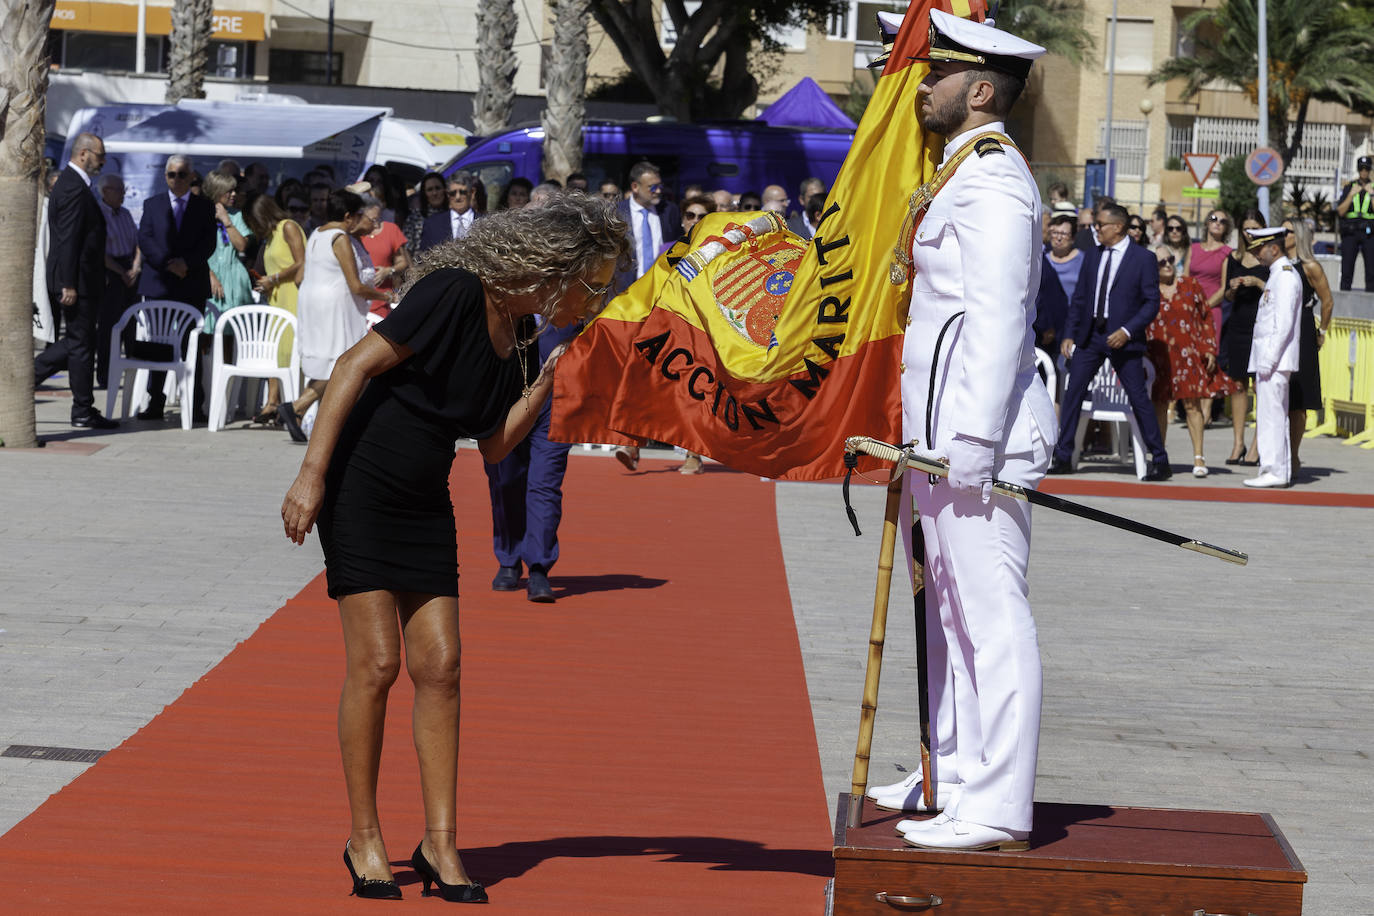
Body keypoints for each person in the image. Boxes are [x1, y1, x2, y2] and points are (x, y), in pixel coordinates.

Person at [280, 194, 626, 901]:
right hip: (361, 483)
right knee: (378, 664)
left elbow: (493, 444)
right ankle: (364, 836)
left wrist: (549, 380)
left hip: (424, 498)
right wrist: (311, 475)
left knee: (442, 665)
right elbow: (351, 366)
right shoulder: (456, 292)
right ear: (554, 269)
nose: (595, 301)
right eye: (592, 285)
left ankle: (440, 843)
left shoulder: (523, 334)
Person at [865, 9, 1054, 853]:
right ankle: (956, 773)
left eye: (938, 73)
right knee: (950, 612)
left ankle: (1000, 804)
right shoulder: (958, 174)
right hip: (940, 434)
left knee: (990, 615)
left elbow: (1000, 320)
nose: (922, 84)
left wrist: (971, 443)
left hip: (980, 439)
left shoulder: (996, 182)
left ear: (980, 91)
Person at [1048, 202, 1171, 480]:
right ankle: (1063, 456)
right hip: (1090, 336)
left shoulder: (1142, 258)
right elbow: (1080, 298)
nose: (1096, 229)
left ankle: (1160, 460)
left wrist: (1127, 331)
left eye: (1101, 224)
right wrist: (1069, 333)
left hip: (1123, 340)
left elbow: (1151, 303)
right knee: (1073, 392)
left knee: (1138, 397)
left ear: (1117, 227)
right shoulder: (1093, 254)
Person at [278, 190, 394, 442]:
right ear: (348, 216)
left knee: (330, 362)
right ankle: (297, 406)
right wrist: (386, 296)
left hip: (314, 303)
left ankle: (300, 412)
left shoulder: (316, 233)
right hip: (335, 307)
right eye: (358, 215)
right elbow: (356, 286)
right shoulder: (340, 238)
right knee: (341, 364)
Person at [33, 133, 119, 429]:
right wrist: (68, 283)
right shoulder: (71, 186)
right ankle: (82, 409)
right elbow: (68, 239)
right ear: (84, 154)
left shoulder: (76, 184)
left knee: (78, 343)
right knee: (79, 344)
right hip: (76, 281)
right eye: (100, 155)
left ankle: (81, 408)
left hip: (83, 279)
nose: (103, 161)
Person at [136, 154, 217, 422]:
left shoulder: (204, 206)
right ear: (165, 176)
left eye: (182, 174)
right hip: (159, 281)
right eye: (172, 174)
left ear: (191, 176)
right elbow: (145, 238)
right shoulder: (152, 204)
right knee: (157, 343)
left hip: (191, 283)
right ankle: (155, 401)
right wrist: (168, 264)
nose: (177, 179)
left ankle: (194, 403)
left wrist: (186, 264)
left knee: (191, 343)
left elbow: (208, 243)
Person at [1146, 248, 1223, 477]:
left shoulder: (1190, 285)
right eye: (1161, 262)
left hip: (1188, 355)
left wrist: (1209, 349)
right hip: (1158, 355)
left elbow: (1205, 318)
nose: (1168, 265)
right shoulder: (1148, 289)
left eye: (1170, 260)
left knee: (1192, 406)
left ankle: (1199, 456)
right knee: (1159, 406)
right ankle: (1160, 457)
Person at [1243, 227, 1302, 488]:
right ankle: (1271, 468)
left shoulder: (1285, 277)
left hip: (1275, 360)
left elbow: (1284, 323)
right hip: (1269, 358)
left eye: (1259, 249)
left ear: (1274, 248)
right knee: (1268, 415)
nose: (1257, 254)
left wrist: (1268, 359)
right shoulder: (1277, 275)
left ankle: (1276, 470)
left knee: (1273, 416)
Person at [247, 194, 307, 423]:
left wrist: (273, 278)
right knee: (276, 352)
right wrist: (267, 283)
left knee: (289, 351)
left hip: (293, 295)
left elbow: (301, 261)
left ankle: (290, 405)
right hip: (276, 298)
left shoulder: (288, 227)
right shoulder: (270, 236)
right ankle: (273, 402)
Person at [1282, 218, 1333, 477]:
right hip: (1279, 329)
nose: (1283, 235)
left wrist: (1322, 331)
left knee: (1298, 399)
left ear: (1298, 235)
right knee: (1278, 395)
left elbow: (1327, 300)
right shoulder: (1277, 264)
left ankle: (1293, 454)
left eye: (1287, 231)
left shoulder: (1310, 266)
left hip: (1302, 329)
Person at [1218, 210, 1268, 465]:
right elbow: (1226, 295)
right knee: (1238, 386)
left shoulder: (1269, 257)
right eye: (1246, 229)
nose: (1250, 233)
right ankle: (1238, 443)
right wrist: (1233, 288)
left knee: (1260, 387)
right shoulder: (1233, 257)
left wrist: (1256, 282)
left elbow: (1277, 291)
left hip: (1261, 327)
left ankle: (1257, 446)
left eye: (1255, 228)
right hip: (1238, 325)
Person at [93, 172, 142, 390]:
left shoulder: (125, 213)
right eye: (119, 190)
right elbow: (98, 251)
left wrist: (135, 267)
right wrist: (121, 272)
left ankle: (133, 372)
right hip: (110, 271)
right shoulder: (98, 214)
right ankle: (105, 375)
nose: (123, 194)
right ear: (106, 192)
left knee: (131, 325)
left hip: (130, 267)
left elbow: (138, 242)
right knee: (109, 327)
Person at [612, 160, 682, 293]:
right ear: (635, 187)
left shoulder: (669, 210)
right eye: (653, 187)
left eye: (660, 186)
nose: (659, 191)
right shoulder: (617, 212)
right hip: (627, 288)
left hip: (662, 287)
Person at [203, 169, 254, 336]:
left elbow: (241, 246)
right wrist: (209, 274)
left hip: (233, 279)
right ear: (216, 191)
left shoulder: (236, 215)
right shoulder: (199, 214)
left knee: (231, 334)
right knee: (204, 331)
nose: (234, 194)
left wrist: (227, 221)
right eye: (229, 191)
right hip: (206, 276)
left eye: (234, 190)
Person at [357, 193, 410, 319]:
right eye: (372, 220)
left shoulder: (390, 229)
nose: (376, 224)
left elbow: (403, 262)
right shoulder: (354, 234)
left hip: (383, 300)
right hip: (359, 301)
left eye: (378, 218)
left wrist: (388, 271)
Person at [1336, 155, 1374, 291]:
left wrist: (1372, 194)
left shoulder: (1373, 187)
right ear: (1358, 170)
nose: (1364, 172)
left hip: (1369, 232)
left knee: (1371, 270)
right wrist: (1351, 195)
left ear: (1370, 170)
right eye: (1361, 169)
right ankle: (1344, 298)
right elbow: (1340, 211)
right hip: (1350, 231)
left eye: (1366, 169)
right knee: (1346, 269)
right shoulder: (1349, 187)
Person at [419, 176, 477, 251]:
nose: (457, 197)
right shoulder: (432, 224)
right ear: (447, 194)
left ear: (472, 192)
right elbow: (424, 254)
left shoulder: (485, 221)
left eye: (462, 192)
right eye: (453, 193)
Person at [404, 171, 448, 254]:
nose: (434, 193)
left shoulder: (454, 215)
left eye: (438, 188)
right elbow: (407, 248)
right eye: (430, 189)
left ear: (445, 190)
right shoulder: (415, 218)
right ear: (424, 193)